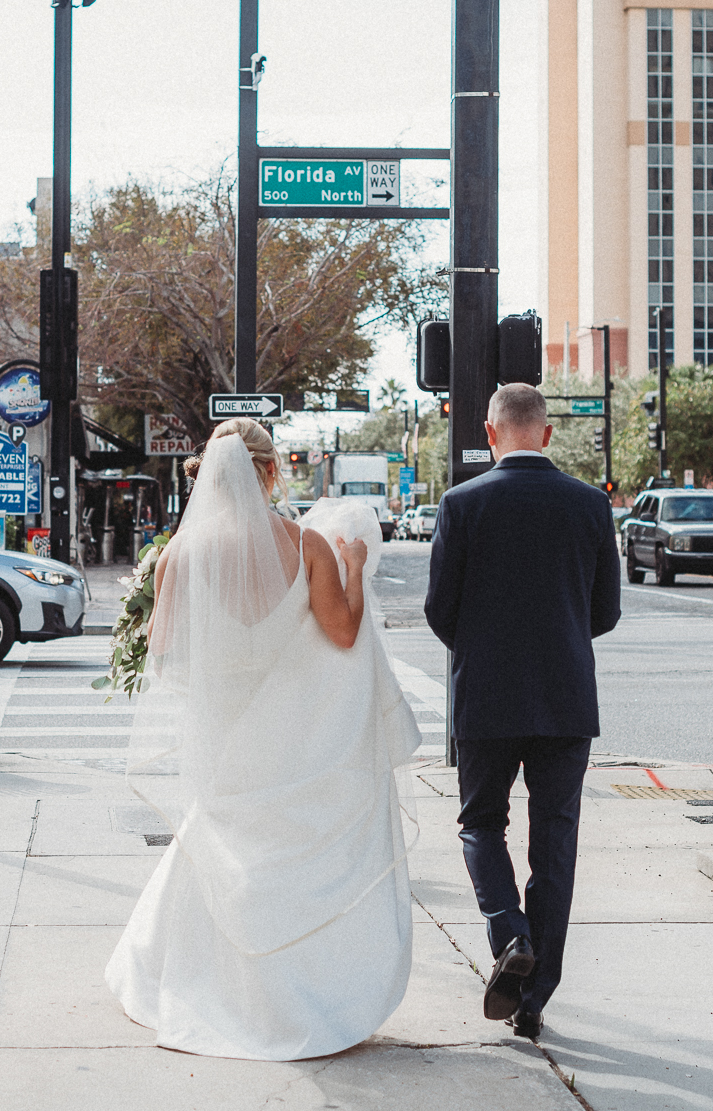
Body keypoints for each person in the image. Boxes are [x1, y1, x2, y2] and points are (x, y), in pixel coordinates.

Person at [106, 418, 421, 1060]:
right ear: (270, 472)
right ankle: (300, 995)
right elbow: (342, 633)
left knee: (223, 847)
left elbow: (162, 652)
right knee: (291, 859)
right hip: (294, 738)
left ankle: (208, 985)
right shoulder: (306, 544)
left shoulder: (178, 555)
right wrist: (354, 567)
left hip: (222, 735)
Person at [423, 383, 622, 1041]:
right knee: (555, 840)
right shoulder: (591, 504)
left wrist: (484, 646)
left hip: (486, 695)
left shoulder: (461, 504)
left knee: (481, 823)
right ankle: (534, 998)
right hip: (566, 696)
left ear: (490, 433)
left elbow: (439, 610)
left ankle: (510, 933)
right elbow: (605, 612)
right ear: (546, 433)